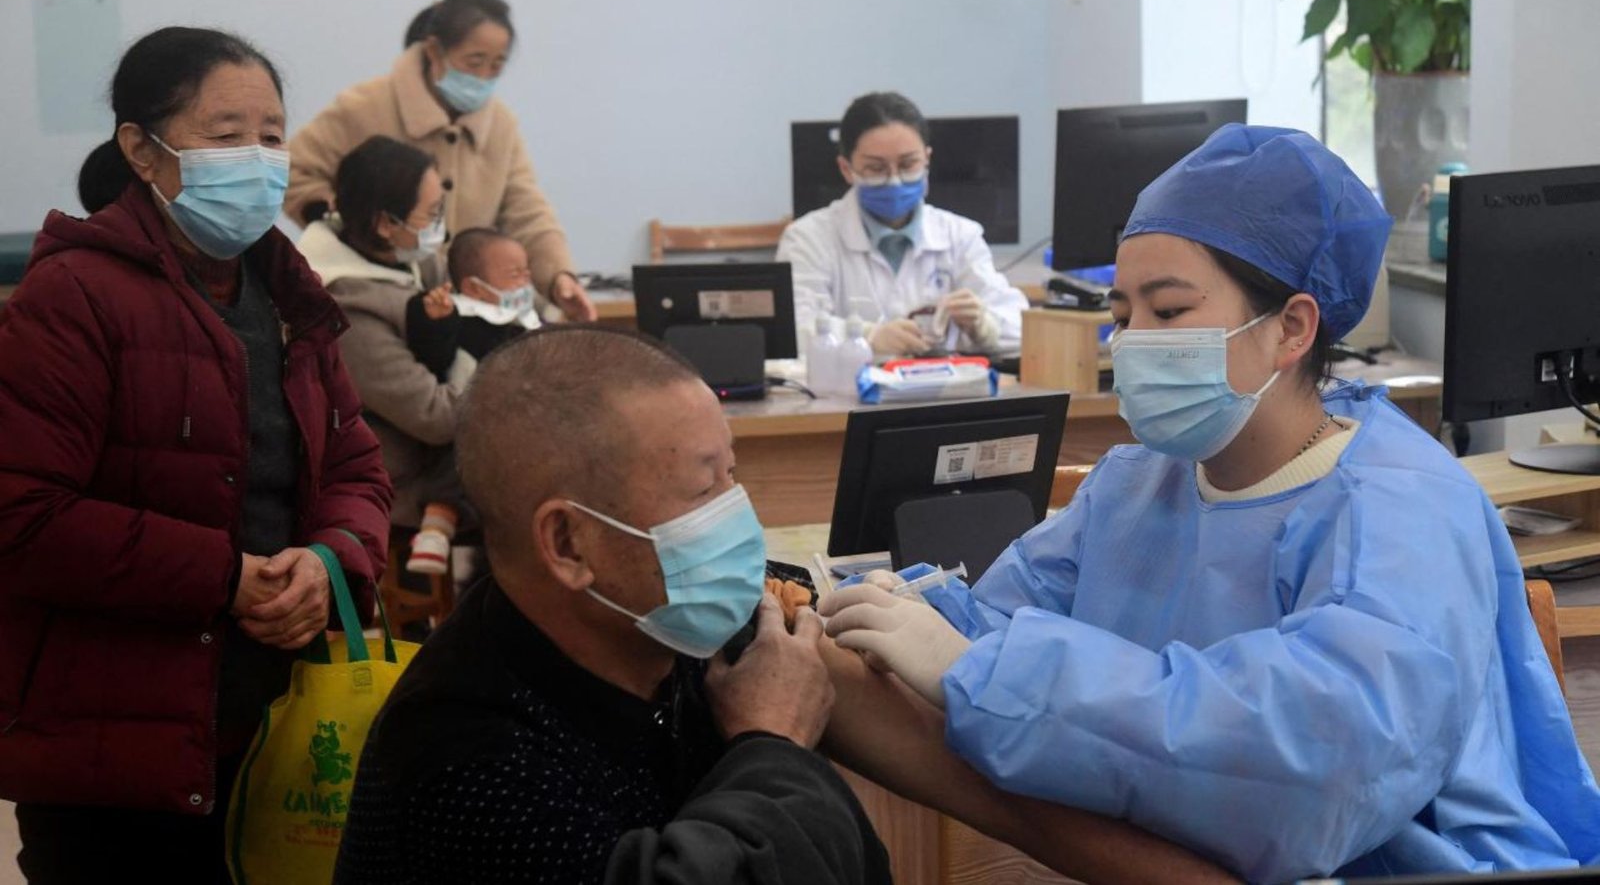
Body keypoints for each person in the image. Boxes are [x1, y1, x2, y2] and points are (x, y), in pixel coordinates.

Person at [819, 124, 1600, 882]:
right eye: (1121, 315)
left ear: (1293, 327)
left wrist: (980, 671)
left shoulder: (1402, 510)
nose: (1131, 343)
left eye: (1167, 312)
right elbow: (1009, 620)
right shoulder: (1139, 481)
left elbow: (1314, 770)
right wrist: (912, 612)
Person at [0, 27, 392, 882]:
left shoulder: (291, 298)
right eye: (225, 135)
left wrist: (330, 563)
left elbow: (358, 470)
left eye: (272, 135)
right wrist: (223, 578)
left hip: (282, 732)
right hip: (114, 750)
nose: (256, 157)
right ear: (142, 149)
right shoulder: (69, 297)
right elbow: (22, 517)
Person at [334, 326, 892, 884]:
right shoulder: (470, 770)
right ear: (568, 544)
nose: (738, 515)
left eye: (732, 474)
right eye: (703, 491)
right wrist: (773, 745)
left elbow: (899, 733)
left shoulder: (669, 616)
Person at [285, 0, 596, 323]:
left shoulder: (501, 125)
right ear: (434, 51)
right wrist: (356, 227)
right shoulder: (364, 107)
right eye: (474, 61)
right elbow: (295, 170)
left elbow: (527, 210)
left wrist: (558, 275)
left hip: (475, 302)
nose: (484, 77)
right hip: (382, 297)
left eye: (496, 66)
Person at [298, 136, 476, 574]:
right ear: (385, 224)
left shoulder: (407, 256)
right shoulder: (343, 302)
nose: (442, 229)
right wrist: (487, 373)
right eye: (431, 215)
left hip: (437, 445)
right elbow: (434, 416)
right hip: (393, 476)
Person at [776, 91, 1029, 358]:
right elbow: (793, 330)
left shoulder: (960, 236)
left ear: (927, 159)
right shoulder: (808, 239)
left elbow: (1023, 330)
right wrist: (868, 337)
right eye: (876, 168)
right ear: (846, 169)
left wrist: (985, 327)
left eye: (908, 164)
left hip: (943, 394)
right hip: (843, 396)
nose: (895, 181)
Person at [401, 226, 542, 573]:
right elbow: (433, 357)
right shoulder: (459, 320)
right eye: (514, 275)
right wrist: (435, 323)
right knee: (462, 452)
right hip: (470, 424)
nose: (525, 281)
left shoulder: (528, 321)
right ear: (474, 288)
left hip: (526, 428)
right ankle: (436, 527)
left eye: (527, 271)